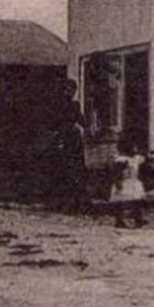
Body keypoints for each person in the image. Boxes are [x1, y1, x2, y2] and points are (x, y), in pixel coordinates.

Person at [46, 77, 88, 211]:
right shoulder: (56, 105)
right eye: (68, 89)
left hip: (73, 139)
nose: (70, 92)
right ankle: (62, 202)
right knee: (62, 170)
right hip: (61, 138)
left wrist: (90, 125)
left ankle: (75, 202)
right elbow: (52, 123)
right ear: (63, 90)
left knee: (76, 170)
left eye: (73, 90)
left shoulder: (75, 105)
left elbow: (82, 121)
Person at [108, 132, 148, 229]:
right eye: (133, 147)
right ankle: (119, 220)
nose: (135, 149)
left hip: (134, 182)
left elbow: (144, 160)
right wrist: (118, 182)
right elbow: (117, 172)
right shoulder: (121, 160)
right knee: (120, 202)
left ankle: (138, 218)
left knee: (137, 201)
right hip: (124, 182)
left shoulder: (135, 158)